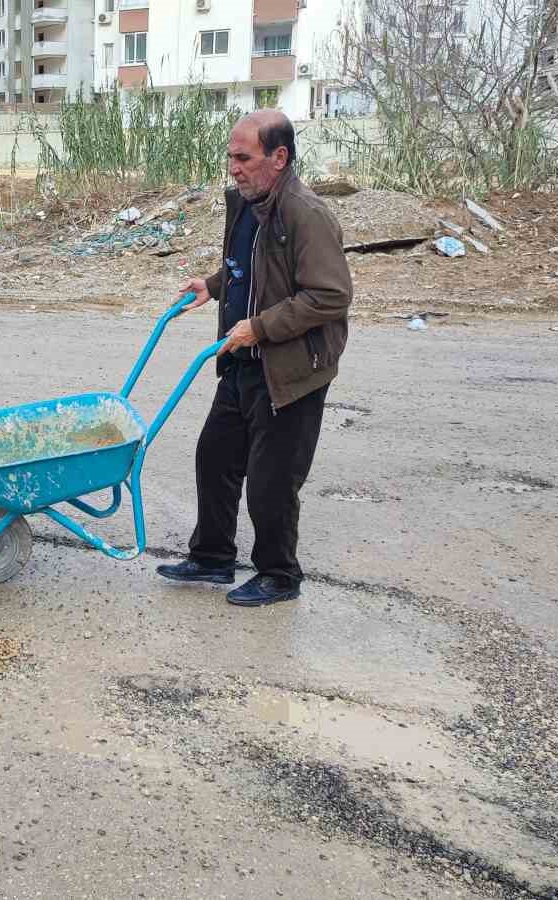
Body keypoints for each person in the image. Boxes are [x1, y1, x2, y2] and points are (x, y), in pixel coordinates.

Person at [156, 110, 353, 607]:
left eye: (244, 158)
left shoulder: (305, 214)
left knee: (271, 481)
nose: (234, 168)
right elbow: (249, 268)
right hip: (243, 358)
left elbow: (330, 296)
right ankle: (212, 557)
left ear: (279, 157)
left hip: (290, 371)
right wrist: (214, 285)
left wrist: (260, 326)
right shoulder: (247, 205)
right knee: (215, 456)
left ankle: (279, 575)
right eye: (231, 157)